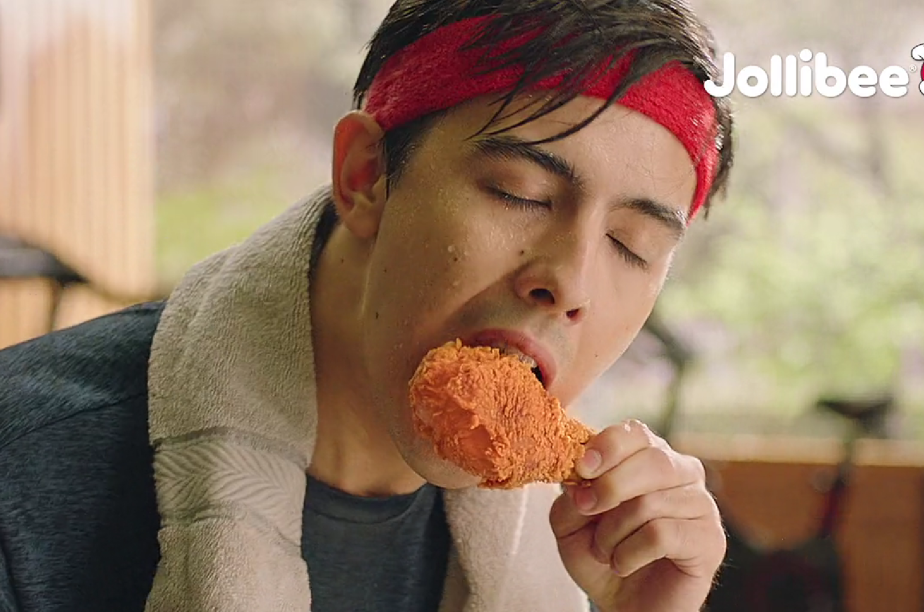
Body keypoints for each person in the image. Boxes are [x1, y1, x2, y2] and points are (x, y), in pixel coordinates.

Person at [0, 0, 735, 611]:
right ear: (365, 177)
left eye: (631, 245)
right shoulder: (23, 469)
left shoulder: (587, 551)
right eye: (521, 193)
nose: (570, 283)